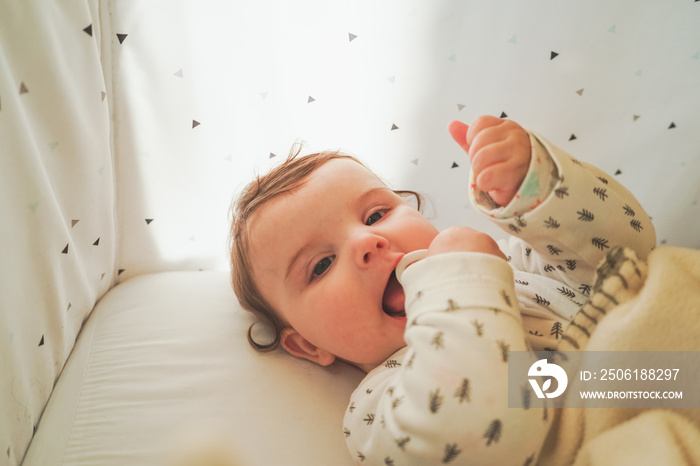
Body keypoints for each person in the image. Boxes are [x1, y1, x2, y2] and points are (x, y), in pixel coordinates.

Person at [229, 116, 656, 465]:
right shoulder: (382, 407)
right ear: (307, 345)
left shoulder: (512, 263)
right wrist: (461, 277)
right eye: (321, 265)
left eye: (376, 214)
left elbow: (629, 255)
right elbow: (481, 437)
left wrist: (539, 190)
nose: (366, 242)